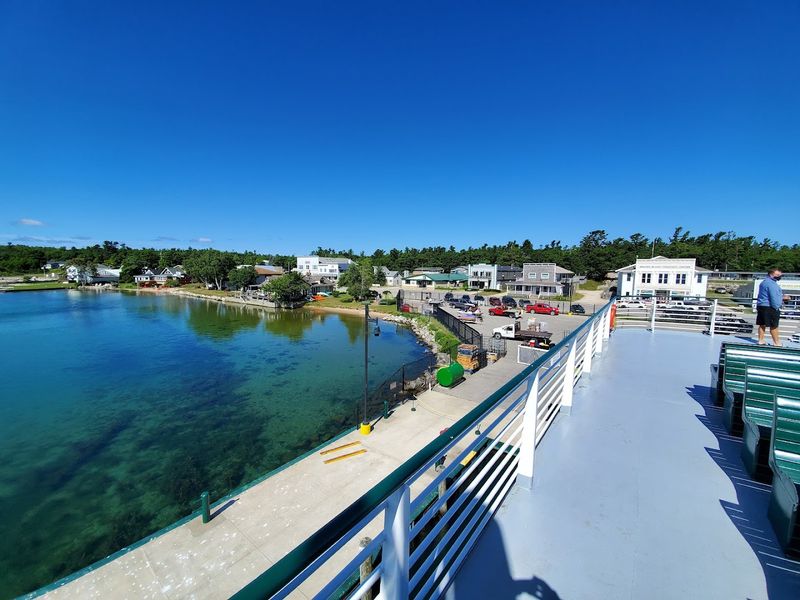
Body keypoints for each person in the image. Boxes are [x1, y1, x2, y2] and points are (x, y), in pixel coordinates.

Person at [756, 268, 790, 346]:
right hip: (770, 307)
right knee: (774, 325)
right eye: (777, 275)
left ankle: (761, 340)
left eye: (780, 275)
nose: (779, 277)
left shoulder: (764, 282)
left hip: (761, 305)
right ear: (771, 274)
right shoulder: (771, 284)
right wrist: (777, 306)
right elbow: (773, 297)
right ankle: (777, 342)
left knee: (762, 324)